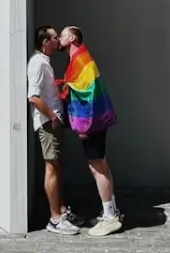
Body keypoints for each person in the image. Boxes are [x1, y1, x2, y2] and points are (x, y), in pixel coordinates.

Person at [58, 26, 123, 237]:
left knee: (97, 167)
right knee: (100, 163)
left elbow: (87, 94)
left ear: (73, 37)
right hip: (95, 122)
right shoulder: (78, 58)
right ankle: (111, 211)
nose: (59, 38)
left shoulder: (81, 60)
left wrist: (83, 125)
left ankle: (110, 218)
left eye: (62, 35)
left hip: (92, 123)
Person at [27, 26, 82, 235]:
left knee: (57, 168)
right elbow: (33, 97)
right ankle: (55, 220)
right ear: (45, 42)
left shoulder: (44, 62)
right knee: (51, 168)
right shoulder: (38, 64)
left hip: (54, 123)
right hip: (48, 125)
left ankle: (61, 211)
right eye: (54, 37)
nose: (58, 40)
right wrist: (52, 118)